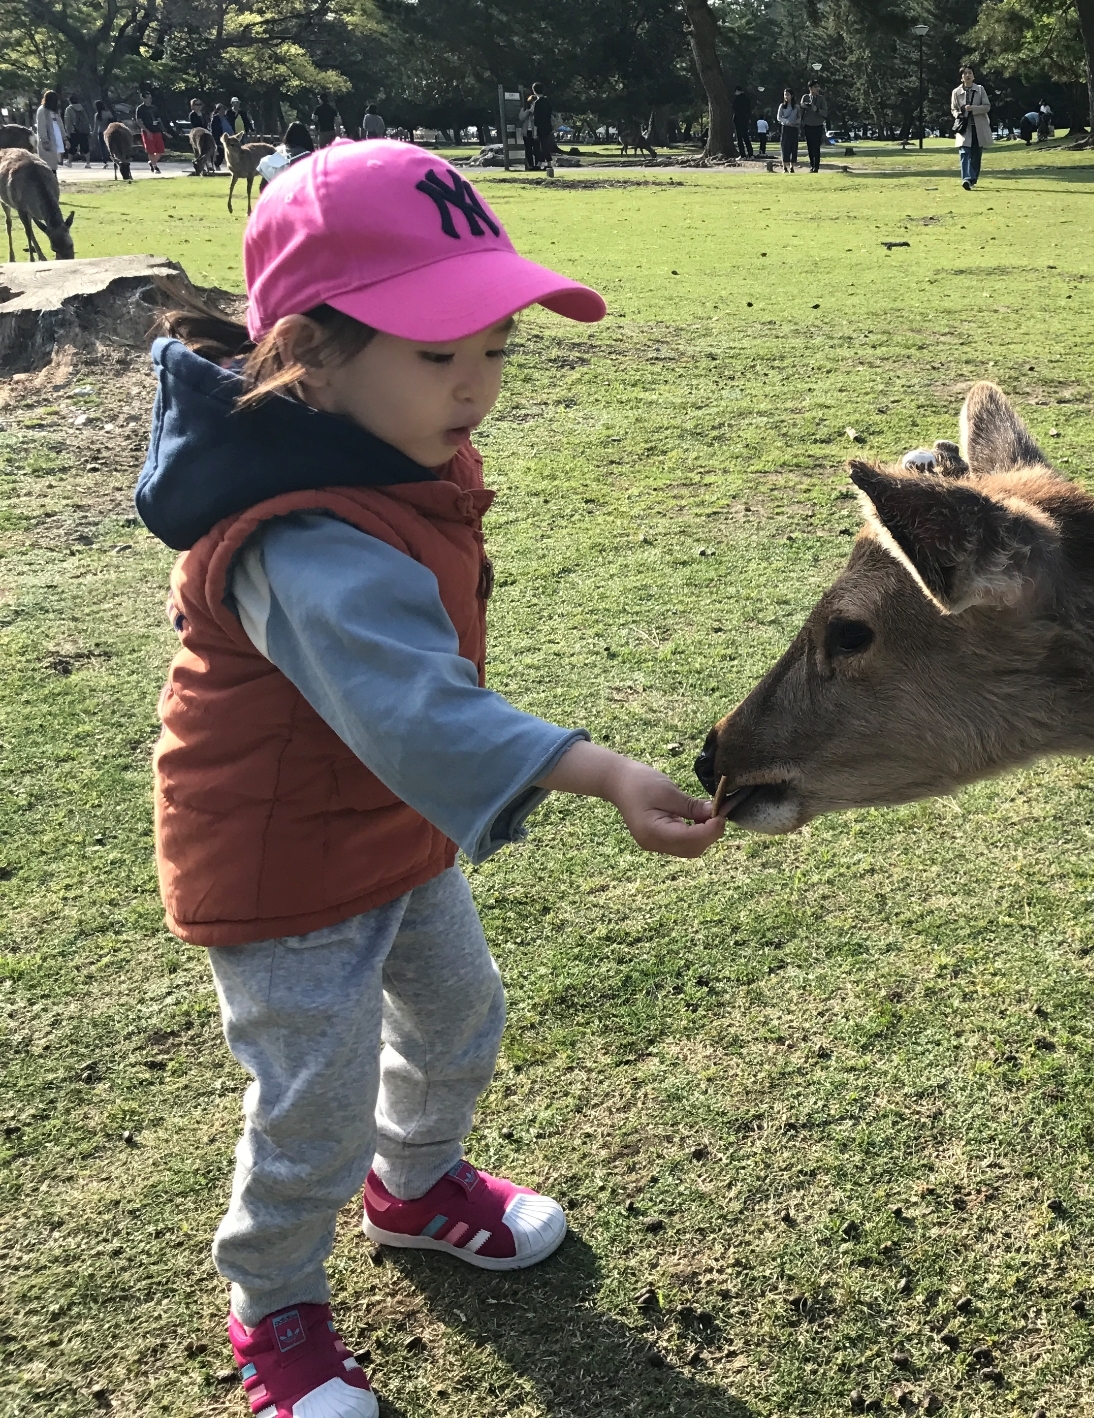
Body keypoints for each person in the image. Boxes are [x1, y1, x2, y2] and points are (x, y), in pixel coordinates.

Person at [136, 139, 725, 1418]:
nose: (474, 388)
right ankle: (277, 1308)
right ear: (310, 353)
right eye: (435, 353)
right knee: (314, 1100)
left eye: (496, 349)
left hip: (387, 824)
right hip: (282, 857)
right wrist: (602, 770)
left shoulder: (377, 452)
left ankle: (414, 1188)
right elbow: (412, 705)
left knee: (460, 1015)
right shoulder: (298, 532)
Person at [951, 65, 992, 190]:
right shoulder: (956, 92)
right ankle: (966, 179)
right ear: (961, 77)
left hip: (978, 127)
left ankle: (972, 178)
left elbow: (987, 106)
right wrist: (958, 114)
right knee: (964, 152)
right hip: (964, 127)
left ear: (973, 76)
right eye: (965, 73)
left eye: (970, 73)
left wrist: (973, 109)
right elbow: (953, 108)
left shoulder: (980, 90)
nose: (967, 75)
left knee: (976, 154)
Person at [799, 80, 828, 172]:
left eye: (817, 87)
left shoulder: (821, 99)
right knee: (810, 146)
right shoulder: (805, 97)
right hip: (808, 125)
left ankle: (816, 166)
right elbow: (800, 108)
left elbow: (825, 113)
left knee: (816, 146)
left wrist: (817, 110)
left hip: (818, 125)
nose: (817, 89)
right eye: (815, 87)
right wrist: (804, 106)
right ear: (810, 88)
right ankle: (812, 165)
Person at [34, 90, 65, 172]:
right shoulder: (42, 110)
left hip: (56, 137)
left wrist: (64, 137)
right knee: (48, 162)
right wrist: (44, 140)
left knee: (55, 159)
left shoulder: (54, 111)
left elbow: (60, 124)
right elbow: (41, 126)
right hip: (48, 138)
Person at [136, 91, 166, 173]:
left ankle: (152, 162)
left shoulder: (154, 108)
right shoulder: (140, 109)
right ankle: (155, 167)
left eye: (150, 97)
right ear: (143, 98)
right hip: (147, 132)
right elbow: (139, 121)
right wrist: (147, 131)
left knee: (160, 151)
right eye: (148, 97)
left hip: (157, 131)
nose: (150, 99)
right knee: (151, 151)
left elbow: (159, 119)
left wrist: (163, 130)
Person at [531, 83, 554, 174]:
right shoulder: (547, 101)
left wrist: (535, 129)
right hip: (548, 126)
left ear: (534, 91)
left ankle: (547, 163)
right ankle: (542, 162)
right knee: (544, 144)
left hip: (540, 126)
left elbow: (536, 118)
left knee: (542, 145)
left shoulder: (537, 103)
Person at [776, 87, 800, 172]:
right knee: (785, 147)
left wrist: (796, 122)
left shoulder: (796, 107)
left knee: (793, 147)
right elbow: (779, 117)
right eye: (785, 95)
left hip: (794, 128)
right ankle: (784, 167)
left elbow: (799, 117)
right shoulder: (782, 106)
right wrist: (786, 122)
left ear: (792, 95)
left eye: (788, 94)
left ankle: (792, 166)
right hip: (785, 128)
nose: (786, 96)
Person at [63, 94, 90, 167]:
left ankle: (69, 162)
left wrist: (68, 132)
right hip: (83, 130)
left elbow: (68, 121)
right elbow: (86, 120)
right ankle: (88, 163)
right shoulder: (82, 108)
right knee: (85, 147)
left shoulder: (69, 109)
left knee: (72, 147)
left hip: (74, 131)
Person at [732, 84, 753, 159]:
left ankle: (743, 155)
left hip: (738, 120)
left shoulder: (737, 99)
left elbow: (734, 108)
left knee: (739, 138)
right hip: (745, 120)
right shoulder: (747, 99)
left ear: (737, 91)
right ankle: (751, 154)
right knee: (746, 137)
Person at [90, 97, 112, 164]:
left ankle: (105, 160)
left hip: (101, 132)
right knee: (110, 146)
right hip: (109, 131)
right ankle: (112, 157)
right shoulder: (108, 113)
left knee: (102, 147)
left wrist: (93, 134)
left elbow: (96, 126)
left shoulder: (97, 115)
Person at [518, 95, 537, 169]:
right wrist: (528, 111)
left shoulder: (537, 110)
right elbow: (521, 118)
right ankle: (530, 165)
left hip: (535, 131)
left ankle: (537, 164)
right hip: (527, 132)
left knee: (536, 149)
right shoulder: (524, 109)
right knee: (528, 149)